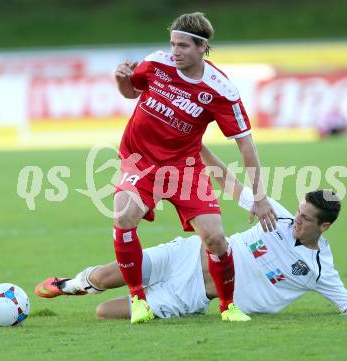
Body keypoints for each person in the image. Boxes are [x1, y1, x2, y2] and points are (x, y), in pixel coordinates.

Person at [35, 145, 347, 319]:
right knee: (106, 277)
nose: (296, 220)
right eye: (299, 212)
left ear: (325, 226)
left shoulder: (319, 269)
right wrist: (199, 146)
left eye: (306, 219)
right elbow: (228, 182)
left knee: (105, 312)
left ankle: (111, 295)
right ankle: (70, 285)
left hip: (190, 295)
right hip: (187, 255)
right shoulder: (275, 215)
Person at [108, 12, 276, 323]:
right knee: (123, 214)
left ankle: (228, 306)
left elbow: (246, 144)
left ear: (202, 48)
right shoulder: (157, 63)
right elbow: (133, 92)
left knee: (215, 238)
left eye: (183, 46)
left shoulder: (221, 89)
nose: (175, 52)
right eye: (172, 44)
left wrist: (260, 197)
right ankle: (138, 299)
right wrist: (121, 81)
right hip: (140, 161)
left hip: (185, 170)